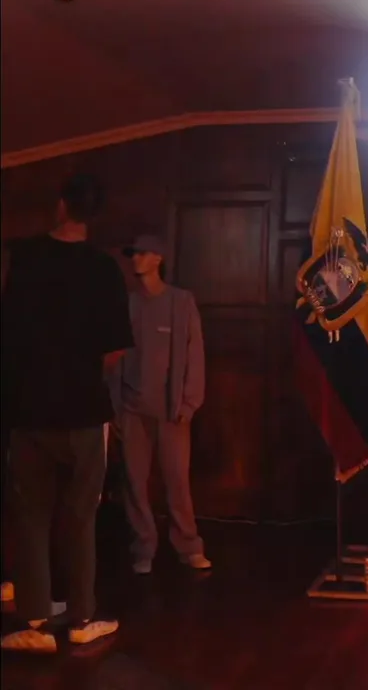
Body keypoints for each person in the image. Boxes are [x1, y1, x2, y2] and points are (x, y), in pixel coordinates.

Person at [0, 174, 133, 652]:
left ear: (60, 206)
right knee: (80, 518)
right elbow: (115, 350)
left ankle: (35, 620)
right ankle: (81, 617)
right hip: (82, 411)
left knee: (30, 516)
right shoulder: (104, 269)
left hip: (27, 409)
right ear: (93, 214)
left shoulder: (25, 258)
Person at [110, 235, 211, 575]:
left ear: (157, 259)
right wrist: (115, 408)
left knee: (177, 481)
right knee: (134, 483)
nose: (135, 259)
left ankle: (189, 546)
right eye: (133, 254)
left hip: (171, 411)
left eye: (141, 253)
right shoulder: (127, 304)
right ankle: (143, 547)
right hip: (131, 409)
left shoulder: (180, 302)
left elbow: (195, 355)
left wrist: (189, 402)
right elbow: (114, 358)